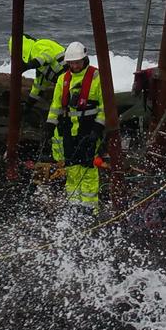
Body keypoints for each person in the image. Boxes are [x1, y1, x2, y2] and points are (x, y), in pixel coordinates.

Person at [47, 41, 105, 214]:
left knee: (88, 170)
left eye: (77, 62)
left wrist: (97, 130)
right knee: (71, 169)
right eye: (71, 63)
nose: (74, 65)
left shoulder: (96, 77)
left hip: (89, 130)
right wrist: (50, 124)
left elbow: (105, 107)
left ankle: (89, 208)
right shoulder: (63, 79)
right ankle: (73, 205)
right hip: (68, 131)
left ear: (84, 59)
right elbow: (56, 105)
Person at [8, 35, 66, 110]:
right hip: (67, 82)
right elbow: (38, 88)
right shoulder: (41, 69)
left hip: (73, 72)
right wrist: (28, 105)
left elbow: (46, 56)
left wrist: (28, 66)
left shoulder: (39, 44)